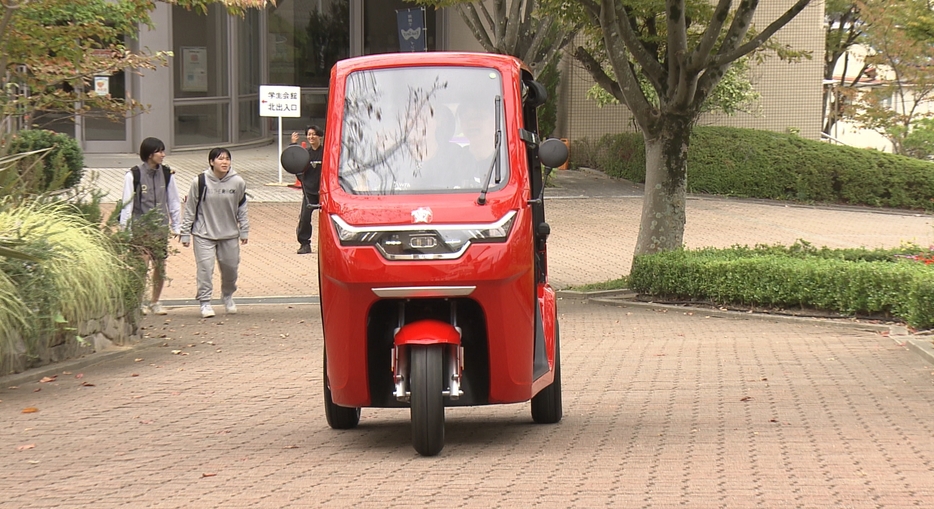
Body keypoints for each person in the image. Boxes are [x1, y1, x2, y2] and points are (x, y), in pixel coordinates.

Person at [179, 148, 250, 318]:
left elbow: (242, 207)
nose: (224, 162)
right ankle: (205, 302)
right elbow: (190, 208)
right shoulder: (199, 181)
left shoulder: (238, 182)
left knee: (230, 269)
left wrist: (244, 230)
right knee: (205, 269)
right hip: (204, 233)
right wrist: (185, 233)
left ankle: (227, 295)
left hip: (229, 234)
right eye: (220, 159)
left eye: (227, 159)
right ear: (211, 162)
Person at [119, 137, 181, 316]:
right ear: (149, 154)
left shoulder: (167, 174)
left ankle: (155, 301)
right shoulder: (134, 175)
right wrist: (126, 230)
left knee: (160, 265)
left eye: (163, 151)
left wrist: (176, 225)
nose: (163, 155)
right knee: (142, 265)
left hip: (160, 228)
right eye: (159, 151)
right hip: (141, 227)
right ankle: (138, 302)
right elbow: (127, 204)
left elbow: (173, 201)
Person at [289, 125, 324, 254]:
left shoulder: (326, 152)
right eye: (309, 135)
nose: (311, 137)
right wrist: (293, 144)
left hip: (324, 191)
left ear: (319, 136)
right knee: (304, 218)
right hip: (309, 191)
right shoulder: (305, 154)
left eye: (314, 134)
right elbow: (294, 162)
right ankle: (304, 244)